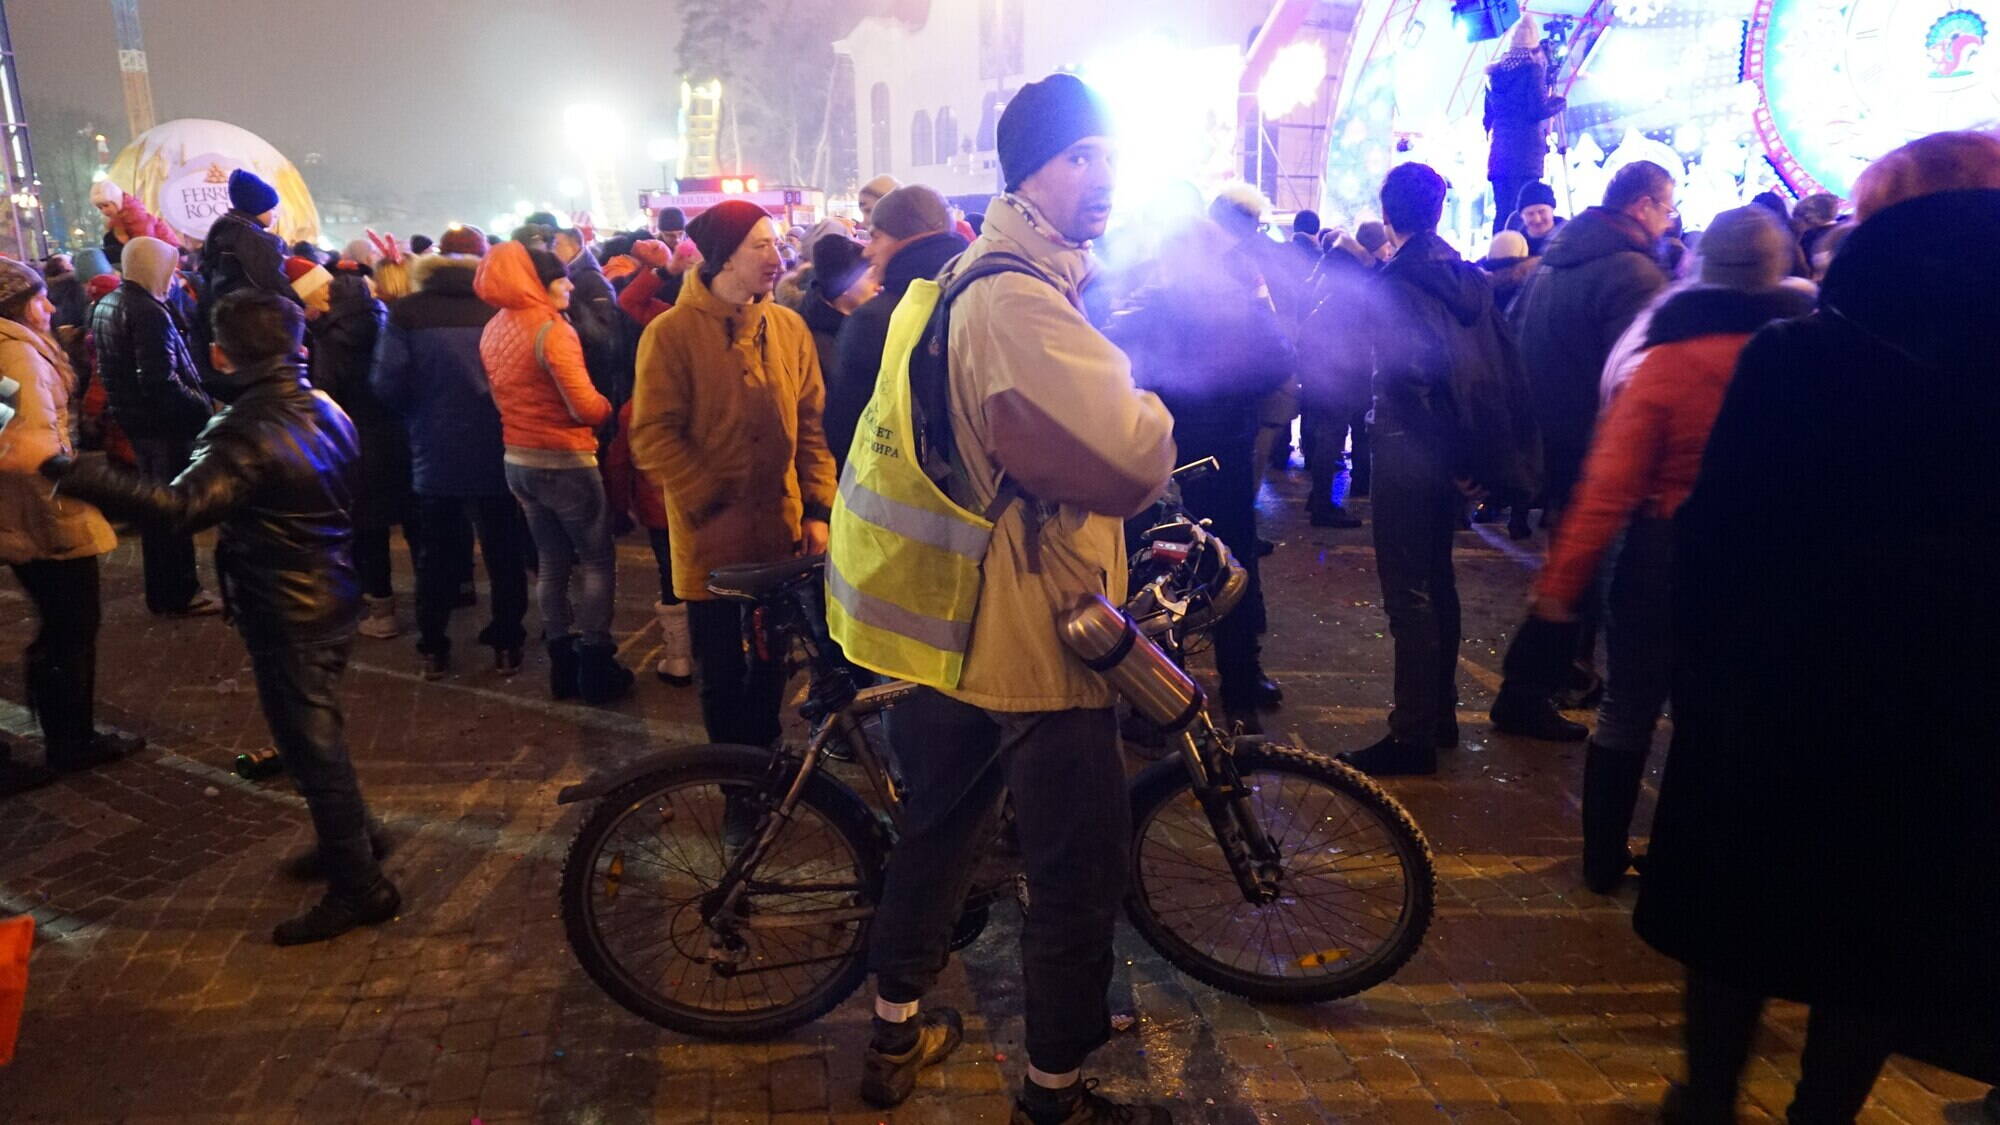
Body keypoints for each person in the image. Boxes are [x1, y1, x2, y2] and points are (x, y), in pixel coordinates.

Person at [831, 73, 1176, 1124]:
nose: (1103, 176)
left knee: (938, 834)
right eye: (1081, 157)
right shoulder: (1017, 298)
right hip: (1035, 631)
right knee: (1076, 877)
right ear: (1028, 171)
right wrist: (1149, 404)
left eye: (1109, 155)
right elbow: (1130, 459)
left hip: (956, 624)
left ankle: (893, 1031)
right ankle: (1053, 1094)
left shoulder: (963, 277)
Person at [1636, 133, 2000, 1123]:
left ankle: (1707, 1100)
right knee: (1884, 928)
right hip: (1947, 712)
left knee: (1738, 910)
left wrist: (1697, 675)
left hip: (1776, 692)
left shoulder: (1799, 359)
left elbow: (1715, 541)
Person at [48, 290, 403, 945]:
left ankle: (361, 885)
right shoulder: (324, 405)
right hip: (329, 587)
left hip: (289, 605)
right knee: (312, 734)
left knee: (311, 744)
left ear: (219, 353)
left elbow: (179, 506)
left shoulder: (243, 429)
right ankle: (355, 836)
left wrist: (73, 474)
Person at [1523, 206, 1810, 894]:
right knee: (1712, 710)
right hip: (1759, 557)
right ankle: (1690, 859)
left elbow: (1609, 484)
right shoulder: (1805, 354)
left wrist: (1559, 588)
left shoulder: (1668, 358)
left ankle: (1602, 859)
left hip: (1660, 550)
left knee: (1629, 704)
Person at [1338, 162, 1538, 778]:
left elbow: (1412, 380)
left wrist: (1443, 456)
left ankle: (1413, 733)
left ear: (1388, 214)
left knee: (1410, 593)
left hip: (1410, 452)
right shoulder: (1467, 279)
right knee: (1437, 583)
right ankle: (1438, 715)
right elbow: (1490, 372)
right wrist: (1470, 462)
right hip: (1450, 454)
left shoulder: (1399, 282)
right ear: (1440, 209)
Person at [628, 199, 837, 751]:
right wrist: (711, 502)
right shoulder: (670, 334)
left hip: (780, 535)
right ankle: (733, 782)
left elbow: (811, 427)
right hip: (709, 543)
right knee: (721, 673)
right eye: (760, 245)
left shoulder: (788, 327)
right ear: (724, 257)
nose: (776, 257)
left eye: (775, 243)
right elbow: (652, 435)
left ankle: (764, 768)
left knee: (771, 665)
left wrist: (819, 508)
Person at [1495, 160, 1673, 738]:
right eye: (1667, 209)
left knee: (1572, 567)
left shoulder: (1556, 261)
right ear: (1642, 205)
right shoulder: (1632, 273)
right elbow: (1638, 376)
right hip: (1596, 445)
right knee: (1588, 574)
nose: (1668, 222)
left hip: (1551, 438)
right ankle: (1540, 687)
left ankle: (1538, 686)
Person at [1111, 218, 1289, 731]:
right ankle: (1229, 686)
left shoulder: (1163, 304)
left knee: (1172, 569)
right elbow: (1280, 361)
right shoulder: (1214, 303)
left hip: (1181, 455)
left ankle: (1175, 696)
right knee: (1204, 566)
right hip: (1200, 456)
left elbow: (1278, 360)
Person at [0, 258, 143, 790]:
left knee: (62, 624)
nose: (48, 306)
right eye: (38, 299)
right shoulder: (16, 352)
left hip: (27, 505)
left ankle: (65, 732)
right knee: (73, 625)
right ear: (16, 306)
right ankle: (71, 740)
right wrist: (81, 478)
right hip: (47, 508)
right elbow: (31, 443)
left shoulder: (12, 347)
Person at [370, 226, 530, 681]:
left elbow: (386, 383)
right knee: (504, 548)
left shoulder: (408, 311)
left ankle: (434, 647)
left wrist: (421, 416)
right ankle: (507, 643)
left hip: (433, 448)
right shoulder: (501, 306)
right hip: (499, 445)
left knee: (435, 553)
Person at [474, 240, 631, 703]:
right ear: (538, 283)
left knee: (551, 559)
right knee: (596, 559)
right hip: (565, 460)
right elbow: (584, 406)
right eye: (561, 279)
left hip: (518, 459)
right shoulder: (552, 330)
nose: (570, 286)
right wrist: (609, 408)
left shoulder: (494, 326)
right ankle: (596, 665)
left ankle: (562, 663)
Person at [86, 235, 219, 616]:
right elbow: (161, 379)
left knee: (154, 510)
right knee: (170, 511)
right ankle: (179, 593)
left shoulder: (110, 302)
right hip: (163, 427)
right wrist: (202, 408)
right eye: (169, 268)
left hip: (136, 422)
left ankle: (165, 592)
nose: (173, 276)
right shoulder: (147, 311)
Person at [828, 184, 967, 468]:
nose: (867, 251)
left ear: (908, 238)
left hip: (897, 486)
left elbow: (844, 430)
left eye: (875, 237)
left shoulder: (873, 320)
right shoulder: (976, 298)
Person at [1297, 232, 1380, 528]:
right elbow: (1357, 336)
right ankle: (1322, 505)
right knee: (1331, 437)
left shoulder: (1327, 281)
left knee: (1327, 436)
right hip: (1342, 374)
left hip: (1324, 372)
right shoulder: (1349, 292)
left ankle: (1318, 498)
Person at [1484, 17, 1566, 236]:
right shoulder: (1532, 69)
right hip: (1525, 153)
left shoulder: (1494, 73)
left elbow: (1488, 116)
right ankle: (1522, 252)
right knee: (1524, 212)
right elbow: (1537, 110)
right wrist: (1558, 102)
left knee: (1503, 212)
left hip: (1500, 154)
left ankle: (1500, 251)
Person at [552, 226, 629, 406]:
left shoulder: (592, 279)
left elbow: (603, 332)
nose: (553, 250)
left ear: (575, 245)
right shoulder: (572, 275)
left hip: (595, 369)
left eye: (557, 244)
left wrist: (567, 325)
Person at [794, 232, 874, 385]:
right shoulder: (815, 339)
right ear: (845, 285)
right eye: (870, 277)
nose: (878, 284)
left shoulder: (865, 321)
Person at [90, 179, 181, 266]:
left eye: (106, 205)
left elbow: (145, 245)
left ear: (116, 201)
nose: (104, 211)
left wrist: (121, 237)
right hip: (150, 254)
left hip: (165, 257)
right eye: (100, 208)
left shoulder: (136, 216)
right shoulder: (117, 218)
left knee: (103, 253)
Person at [1505, 181, 1565, 256]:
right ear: (1522, 216)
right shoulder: (1513, 245)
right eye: (1530, 214)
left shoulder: (1571, 236)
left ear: (1552, 210)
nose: (1537, 219)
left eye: (1542, 212)